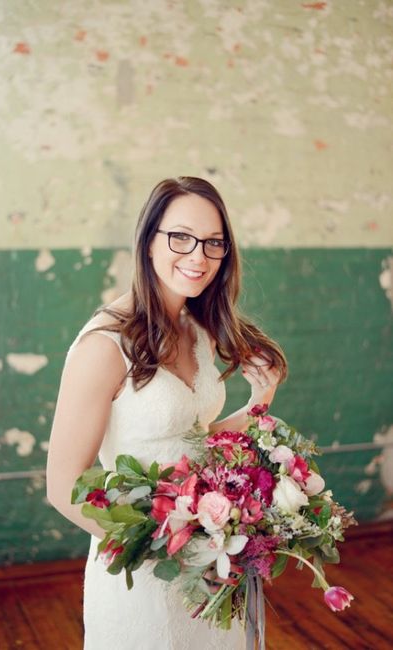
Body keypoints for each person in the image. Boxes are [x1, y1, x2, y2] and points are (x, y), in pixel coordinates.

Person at [46, 176, 287, 650]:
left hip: (210, 567)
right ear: (148, 241)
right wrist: (174, 555)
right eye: (181, 237)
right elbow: (62, 487)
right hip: (144, 576)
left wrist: (260, 401)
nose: (198, 256)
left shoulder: (197, 329)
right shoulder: (103, 346)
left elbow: (193, 439)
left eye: (213, 242)